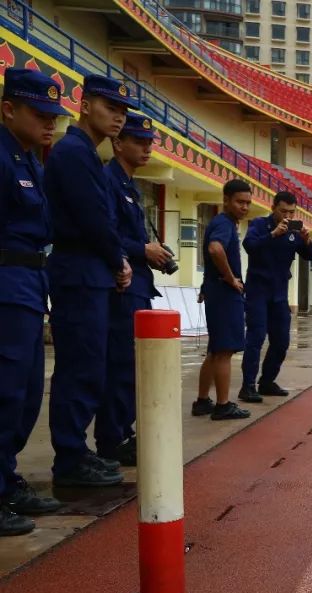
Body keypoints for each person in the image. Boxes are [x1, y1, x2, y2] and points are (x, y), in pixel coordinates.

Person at [45, 74, 137, 488]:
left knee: (91, 366)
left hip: (91, 272)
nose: (117, 118)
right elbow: (92, 219)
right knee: (79, 367)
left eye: (121, 112)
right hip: (79, 271)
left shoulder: (88, 154)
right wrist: (118, 259)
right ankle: (69, 457)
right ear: (85, 105)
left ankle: (76, 451)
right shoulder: (73, 153)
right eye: (109, 108)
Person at [0, 68, 67, 535]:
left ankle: (6, 479)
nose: (50, 123)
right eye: (39, 113)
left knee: (23, 396)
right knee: (4, 392)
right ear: (8, 108)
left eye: (53, 116)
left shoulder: (29, 162)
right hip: (5, 283)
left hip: (27, 283)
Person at [95, 112, 171, 467]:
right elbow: (106, 234)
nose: (146, 148)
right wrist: (144, 250)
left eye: (149, 142)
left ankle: (122, 430)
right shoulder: (109, 181)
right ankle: (112, 437)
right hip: (122, 287)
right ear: (117, 143)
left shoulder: (129, 185)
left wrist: (150, 255)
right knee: (121, 364)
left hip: (139, 284)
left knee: (132, 365)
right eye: (138, 142)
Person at [237, 191, 312, 404]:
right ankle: (248, 386)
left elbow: (310, 255)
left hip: (280, 292)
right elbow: (249, 246)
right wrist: (272, 234)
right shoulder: (259, 224)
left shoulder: (294, 231)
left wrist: (307, 241)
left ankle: (267, 381)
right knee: (256, 336)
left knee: (281, 340)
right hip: (258, 290)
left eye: (291, 212)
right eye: (283, 211)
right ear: (273, 208)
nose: (287, 216)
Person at [192, 179, 252, 420]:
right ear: (225, 200)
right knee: (224, 351)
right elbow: (215, 249)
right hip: (225, 294)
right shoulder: (224, 223)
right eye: (239, 202)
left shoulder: (222, 223)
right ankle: (223, 405)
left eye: (248, 203)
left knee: (215, 350)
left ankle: (203, 400)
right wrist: (230, 278)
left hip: (215, 291)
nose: (244, 207)